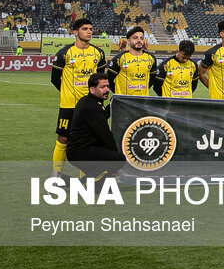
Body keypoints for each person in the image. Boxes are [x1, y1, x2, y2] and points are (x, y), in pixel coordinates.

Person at [50, 17, 107, 179]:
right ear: (75, 32)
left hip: (91, 106)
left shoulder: (98, 53)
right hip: (69, 105)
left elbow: (101, 80)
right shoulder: (64, 53)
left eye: (90, 29)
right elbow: (55, 79)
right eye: (85, 29)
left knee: (90, 141)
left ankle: (85, 179)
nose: (89, 32)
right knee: (63, 138)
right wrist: (67, 92)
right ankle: (55, 175)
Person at [65, 73, 124, 180]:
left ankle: (68, 180)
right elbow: (105, 135)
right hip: (81, 152)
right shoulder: (92, 106)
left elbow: (102, 115)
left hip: (80, 150)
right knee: (118, 159)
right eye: (102, 87)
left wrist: (111, 105)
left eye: (108, 86)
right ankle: (76, 181)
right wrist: (116, 157)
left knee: (99, 184)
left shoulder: (89, 101)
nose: (107, 90)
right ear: (92, 90)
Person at [107, 26, 157, 97]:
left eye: (141, 38)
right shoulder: (119, 58)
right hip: (123, 101)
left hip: (142, 101)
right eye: (135, 38)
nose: (139, 40)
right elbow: (109, 79)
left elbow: (153, 78)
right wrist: (118, 94)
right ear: (128, 41)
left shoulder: (151, 58)